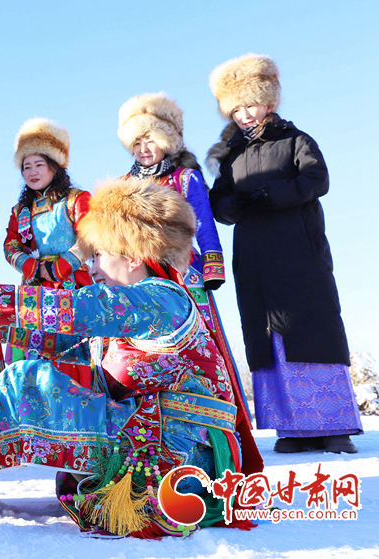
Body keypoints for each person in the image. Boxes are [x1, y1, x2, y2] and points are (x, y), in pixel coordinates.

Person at [0, 179, 262, 538]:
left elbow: (72, 309)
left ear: (132, 256)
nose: (91, 268)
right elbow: (53, 340)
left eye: (99, 255)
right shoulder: (128, 321)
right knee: (31, 377)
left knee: (26, 382)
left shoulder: (164, 298)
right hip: (155, 451)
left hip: (180, 466)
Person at [206, 53, 361, 454]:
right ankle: (290, 427)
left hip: (299, 252)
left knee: (312, 330)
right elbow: (218, 203)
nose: (243, 115)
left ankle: (335, 426)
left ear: (269, 102)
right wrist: (237, 205)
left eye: (250, 105)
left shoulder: (296, 140)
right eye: (235, 109)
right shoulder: (231, 156)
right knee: (268, 338)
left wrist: (268, 195)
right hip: (254, 258)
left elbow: (317, 179)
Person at [117, 93, 261, 471]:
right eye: (137, 141)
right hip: (142, 278)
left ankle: (221, 430)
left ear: (167, 142)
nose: (144, 148)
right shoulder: (123, 185)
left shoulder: (186, 178)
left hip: (184, 274)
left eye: (150, 140)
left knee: (202, 351)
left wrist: (212, 266)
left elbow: (205, 226)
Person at [3, 119, 93, 388]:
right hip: (35, 290)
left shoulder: (77, 199)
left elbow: (90, 236)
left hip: (71, 286)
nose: (32, 172)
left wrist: (60, 267)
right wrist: (32, 267)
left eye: (38, 164)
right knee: (34, 357)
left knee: (73, 354)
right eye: (26, 166)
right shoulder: (20, 210)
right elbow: (10, 246)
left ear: (55, 165)